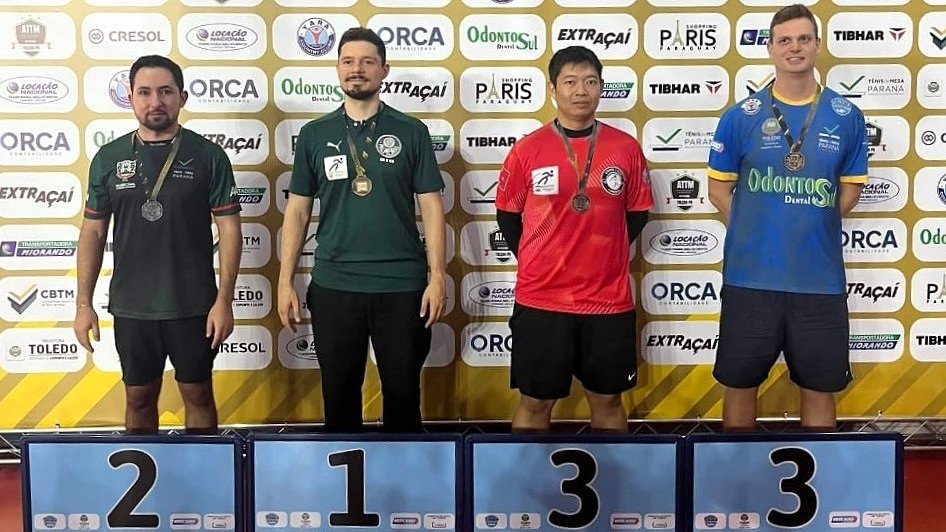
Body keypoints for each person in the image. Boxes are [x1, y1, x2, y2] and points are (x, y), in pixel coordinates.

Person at [707, 4, 867, 431]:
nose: (794, 48)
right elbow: (718, 190)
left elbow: (850, 189)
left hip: (819, 282)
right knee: (740, 385)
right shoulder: (740, 116)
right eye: (784, 40)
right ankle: (737, 473)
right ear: (770, 48)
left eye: (803, 39)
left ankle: (820, 468)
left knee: (819, 388)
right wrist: (756, 227)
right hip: (750, 279)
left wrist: (809, 220)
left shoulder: (846, 116)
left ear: (817, 45)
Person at [278, 28, 446, 433]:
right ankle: (345, 474)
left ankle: (405, 476)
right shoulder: (315, 134)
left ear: (384, 70)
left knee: (403, 398)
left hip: (402, 286)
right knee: (339, 398)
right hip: (335, 285)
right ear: (337, 69)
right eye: (348, 61)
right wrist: (285, 281)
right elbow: (297, 211)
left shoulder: (411, 131)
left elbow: (431, 207)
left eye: (368, 61)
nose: (357, 69)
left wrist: (438, 275)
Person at [74, 55, 242, 435]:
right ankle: (148, 471)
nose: (156, 102)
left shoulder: (208, 156)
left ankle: (202, 473)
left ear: (182, 97)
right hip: (133, 306)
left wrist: (224, 301)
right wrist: (83, 304)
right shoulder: (109, 158)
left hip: (194, 305)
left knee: (198, 395)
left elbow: (230, 230)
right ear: (130, 97)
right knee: (138, 398)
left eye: (165, 92)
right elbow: (93, 233)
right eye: (145, 92)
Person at [495, 46, 653, 433]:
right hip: (542, 298)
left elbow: (636, 215)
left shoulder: (625, 148)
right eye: (570, 82)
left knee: (608, 400)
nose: (581, 90)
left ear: (601, 87)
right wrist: (541, 259)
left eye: (590, 81)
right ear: (553, 89)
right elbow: (507, 217)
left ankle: (614, 475)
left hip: (607, 300)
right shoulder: (527, 150)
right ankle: (526, 476)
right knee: (535, 403)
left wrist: (602, 254)